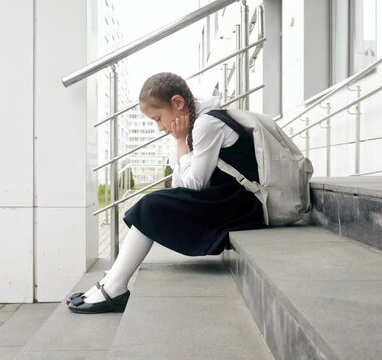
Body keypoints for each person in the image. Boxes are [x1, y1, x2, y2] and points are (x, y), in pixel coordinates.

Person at [67, 72, 265, 314]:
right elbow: (180, 184)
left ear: (178, 103)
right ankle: (112, 282)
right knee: (153, 204)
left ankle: (114, 286)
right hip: (226, 200)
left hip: (245, 206)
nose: (160, 127)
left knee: (151, 205)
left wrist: (181, 142)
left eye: (158, 118)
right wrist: (180, 142)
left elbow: (193, 187)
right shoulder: (196, 123)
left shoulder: (206, 124)